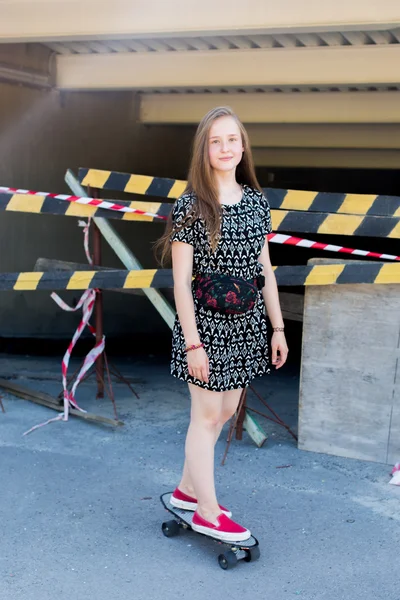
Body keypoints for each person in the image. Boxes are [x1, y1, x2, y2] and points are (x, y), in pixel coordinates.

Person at [156, 106, 288, 542]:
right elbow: (179, 284)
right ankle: (208, 512)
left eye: (232, 139)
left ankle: (186, 492)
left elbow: (264, 270)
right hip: (205, 329)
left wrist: (278, 327)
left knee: (228, 412)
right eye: (216, 141)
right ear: (204, 149)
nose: (226, 147)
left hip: (247, 325)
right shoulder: (192, 206)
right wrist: (193, 343)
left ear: (243, 145)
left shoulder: (255, 203)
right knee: (207, 416)